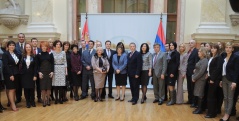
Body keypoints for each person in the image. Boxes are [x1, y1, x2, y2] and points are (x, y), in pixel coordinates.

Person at [220, 42, 239, 121]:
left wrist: (235, 82)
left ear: (232, 49)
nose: (228, 49)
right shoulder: (223, 56)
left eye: (230, 47)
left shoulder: (235, 57)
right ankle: (226, 113)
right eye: (227, 47)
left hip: (231, 80)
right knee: (225, 97)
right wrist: (221, 79)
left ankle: (227, 115)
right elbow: (222, 69)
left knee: (230, 98)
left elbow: (237, 71)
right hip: (224, 78)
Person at [205, 44, 223, 118]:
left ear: (217, 49)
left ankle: (212, 113)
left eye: (214, 48)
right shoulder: (212, 57)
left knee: (211, 96)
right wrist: (207, 74)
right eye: (212, 48)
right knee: (210, 96)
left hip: (215, 79)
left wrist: (212, 78)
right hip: (210, 78)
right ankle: (211, 111)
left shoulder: (219, 57)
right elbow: (210, 68)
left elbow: (218, 69)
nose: (212, 50)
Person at [2, 40, 21, 111]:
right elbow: (6, 65)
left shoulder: (15, 54)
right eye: (10, 45)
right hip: (9, 74)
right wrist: (11, 75)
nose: (12, 46)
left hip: (16, 73)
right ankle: (12, 105)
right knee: (11, 89)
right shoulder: (5, 54)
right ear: (7, 46)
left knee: (14, 89)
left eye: (13, 45)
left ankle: (12, 103)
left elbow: (17, 64)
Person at [20, 43, 38, 108]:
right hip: (24, 75)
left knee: (32, 88)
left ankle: (32, 101)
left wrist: (35, 75)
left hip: (32, 75)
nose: (28, 48)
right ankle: (27, 101)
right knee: (26, 89)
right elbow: (20, 66)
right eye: (27, 47)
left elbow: (36, 67)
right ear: (25, 48)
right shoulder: (22, 56)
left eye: (29, 47)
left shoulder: (34, 56)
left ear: (31, 48)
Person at [37, 41, 54, 107]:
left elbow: (52, 64)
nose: (44, 47)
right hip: (42, 73)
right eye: (42, 46)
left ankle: (47, 100)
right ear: (41, 47)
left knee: (48, 87)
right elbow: (37, 65)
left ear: (47, 47)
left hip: (49, 72)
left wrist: (52, 72)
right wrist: (39, 72)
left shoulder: (50, 54)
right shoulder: (38, 55)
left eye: (45, 46)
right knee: (43, 87)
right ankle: (44, 100)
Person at [191, 47, 208, 114]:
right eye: (198, 51)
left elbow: (201, 71)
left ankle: (200, 109)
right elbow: (198, 69)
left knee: (200, 94)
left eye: (200, 51)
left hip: (201, 80)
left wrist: (194, 78)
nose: (198, 53)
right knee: (198, 94)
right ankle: (198, 107)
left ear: (203, 53)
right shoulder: (201, 59)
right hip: (198, 79)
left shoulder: (205, 60)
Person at [52, 40, 67, 104]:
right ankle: (56, 99)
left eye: (59, 44)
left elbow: (65, 61)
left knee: (61, 85)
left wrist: (66, 71)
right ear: (55, 45)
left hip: (62, 68)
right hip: (55, 68)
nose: (58, 45)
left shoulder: (63, 52)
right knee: (55, 85)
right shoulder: (52, 53)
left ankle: (60, 98)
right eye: (57, 44)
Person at [186, 40, 199, 107]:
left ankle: (194, 102)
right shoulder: (189, 51)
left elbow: (196, 62)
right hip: (188, 71)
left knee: (193, 87)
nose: (190, 44)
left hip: (193, 72)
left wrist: (195, 69)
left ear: (195, 44)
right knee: (189, 87)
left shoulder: (196, 51)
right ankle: (190, 99)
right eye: (189, 43)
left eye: (192, 43)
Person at [15, 33, 26, 104]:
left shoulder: (28, 45)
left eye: (22, 37)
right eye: (20, 37)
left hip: (26, 67)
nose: (21, 38)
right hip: (17, 68)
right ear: (18, 38)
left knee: (26, 83)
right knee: (18, 84)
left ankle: (27, 97)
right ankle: (18, 97)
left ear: (24, 38)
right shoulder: (15, 45)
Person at [31, 38, 42, 103]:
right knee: (32, 85)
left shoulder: (40, 50)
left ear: (37, 42)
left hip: (39, 70)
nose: (34, 42)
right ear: (31, 42)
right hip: (31, 71)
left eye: (35, 41)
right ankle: (32, 98)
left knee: (39, 85)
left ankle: (39, 97)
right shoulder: (29, 50)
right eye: (33, 41)